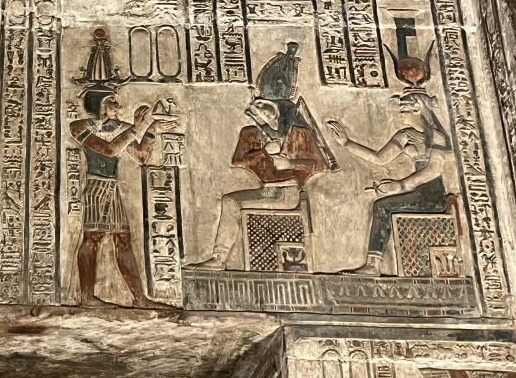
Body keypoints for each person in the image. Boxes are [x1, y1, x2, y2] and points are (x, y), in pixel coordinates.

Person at [190, 96, 329, 270]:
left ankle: (219, 258)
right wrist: (263, 152)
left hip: (287, 192)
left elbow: (321, 165)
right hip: (267, 190)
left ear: (278, 108)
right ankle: (219, 258)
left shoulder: (299, 134)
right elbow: (238, 160)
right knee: (230, 201)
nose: (260, 110)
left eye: (265, 104)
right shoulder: (251, 133)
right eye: (256, 106)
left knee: (231, 202)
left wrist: (291, 163)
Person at [327, 88, 454, 275]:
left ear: (418, 110)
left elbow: (433, 170)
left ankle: (374, 265)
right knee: (382, 205)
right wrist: (347, 143)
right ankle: (373, 264)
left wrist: (400, 185)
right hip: (418, 193)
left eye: (404, 111)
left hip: (433, 197)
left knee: (382, 207)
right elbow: (380, 158)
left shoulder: (437, 137)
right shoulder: (406, 135)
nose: (400, 115)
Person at [71, 92, 176, 308]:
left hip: (112, 188)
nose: (117, 105)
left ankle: (139, 299)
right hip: (96, 187)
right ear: (99, 104)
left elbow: (140, 156)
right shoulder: (80, 127)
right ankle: (87, 297)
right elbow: (109, 150)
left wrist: (152, 131)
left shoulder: (122, 128)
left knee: (123, 240)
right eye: (111, 101)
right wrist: (135, 129)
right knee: (92, 238)